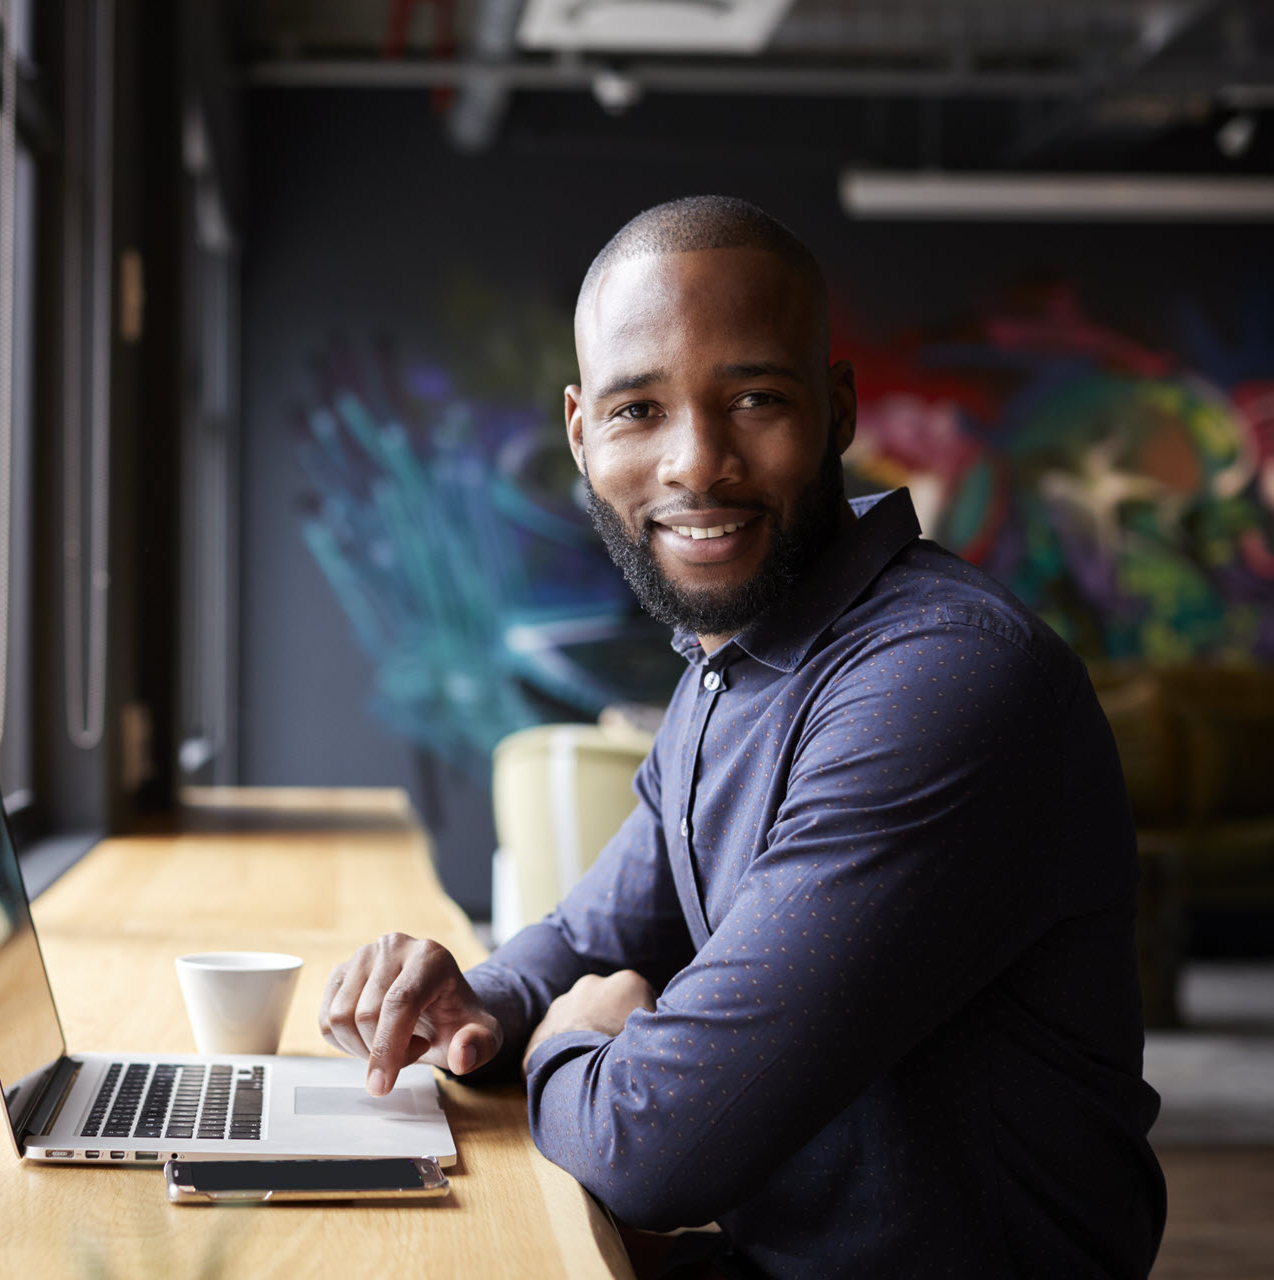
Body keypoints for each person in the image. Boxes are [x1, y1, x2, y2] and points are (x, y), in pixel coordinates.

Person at [318, 196, 1166, 1278]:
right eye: (639, 410)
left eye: (755, 397)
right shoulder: (742, 658)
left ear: (837, 409)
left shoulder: (940, 683)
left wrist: (576, 1042)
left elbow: (652, 1145)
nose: (696, 462)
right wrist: (470, 1002)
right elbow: (598, 935)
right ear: (581, 433)